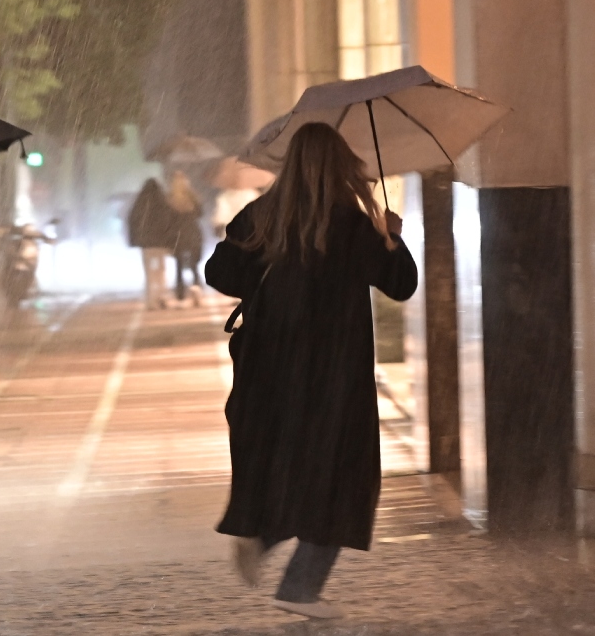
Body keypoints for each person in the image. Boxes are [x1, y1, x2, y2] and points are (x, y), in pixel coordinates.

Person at [205, 123, 417, 619]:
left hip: (271, 371)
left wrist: (257, 267)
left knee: (290, 464)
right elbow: (402, 286)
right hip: (335, 376)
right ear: (341, 167)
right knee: (340, 475)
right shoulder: (353, 226)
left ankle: (263, 536)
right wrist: (392, 240)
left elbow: (219, 274)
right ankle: (299, 587)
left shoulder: (261, 216)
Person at [126, 178, 177, 309]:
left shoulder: (140, 203)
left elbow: (132, 221)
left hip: (146, 244)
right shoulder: (163, 203)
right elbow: (170, 223)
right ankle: (162, 296)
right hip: (161, 242)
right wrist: (171, 241)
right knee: (161, 270)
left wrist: (133, 240)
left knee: (149, 272)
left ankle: (150, 300)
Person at [167, 170, 205, 305]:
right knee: (194, 265)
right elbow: (200, 213)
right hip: (192, 232)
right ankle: (197, 291)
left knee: (178, 265)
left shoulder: (170, 199)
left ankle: (180, 294)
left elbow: (168, 220)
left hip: (178, 235)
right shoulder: (193, 197)